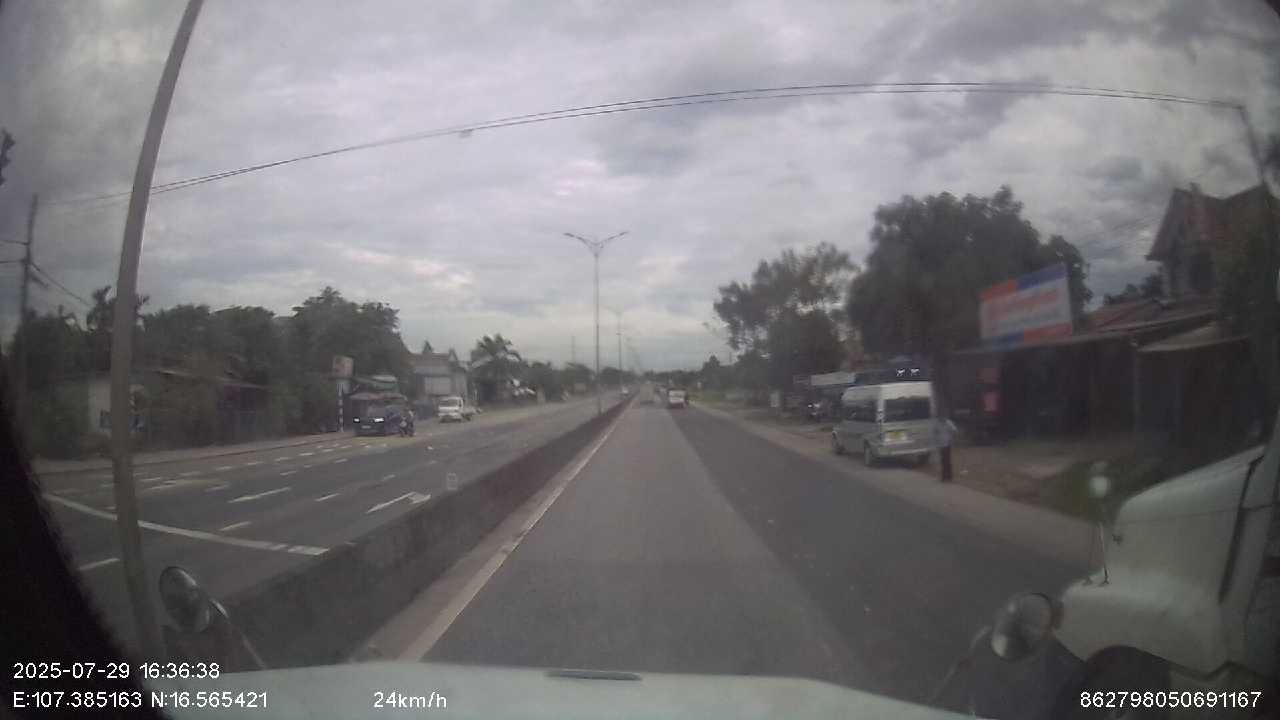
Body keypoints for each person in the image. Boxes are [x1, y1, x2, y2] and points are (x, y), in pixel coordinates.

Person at [932, 413, 958, 482]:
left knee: (948, 461)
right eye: (940, 417)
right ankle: (944, 477)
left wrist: (952, 438)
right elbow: (934, 432)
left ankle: (949, 477)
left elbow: (955, 430)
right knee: (943, 461)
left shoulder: (948, 423)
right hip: (940, 445)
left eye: (943, 417)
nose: (942, 419)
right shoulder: (937, 423)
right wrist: (936, 441)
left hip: (947, 444)